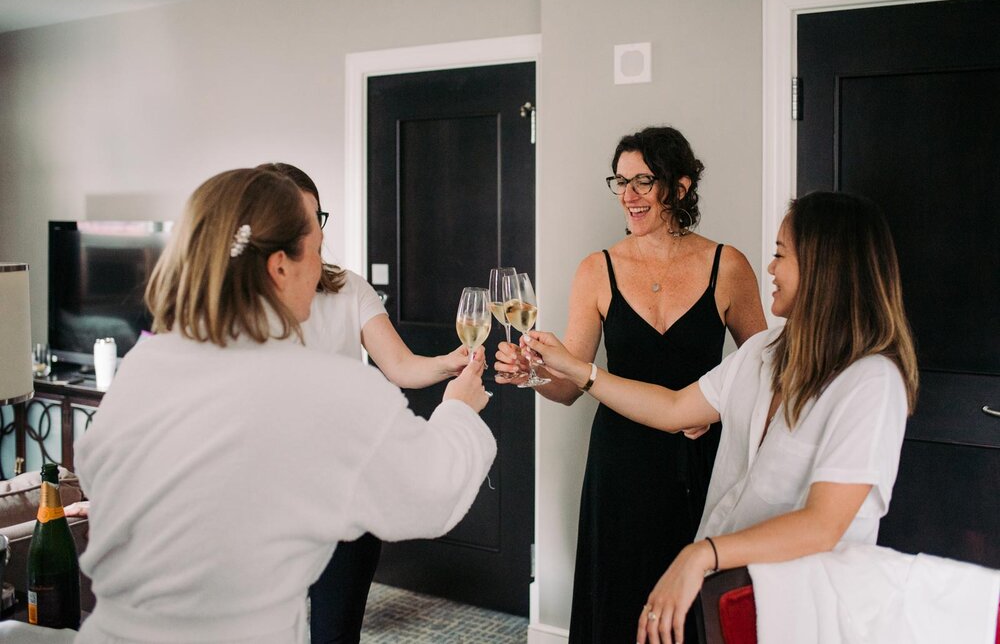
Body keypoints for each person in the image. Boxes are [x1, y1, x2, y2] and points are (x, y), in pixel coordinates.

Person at [73, 168, 496, 644]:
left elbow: (94, 473)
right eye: (314, 250)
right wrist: (458, 409)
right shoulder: (327, 387)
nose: (320, 267)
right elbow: (432, 491)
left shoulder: (144, 366)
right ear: (279, 266)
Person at [523, 191, 919, 644]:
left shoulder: (871, 381)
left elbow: (824, 524)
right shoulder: (763, 353)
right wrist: (581, 371)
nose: (770, 268)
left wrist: (701, 555)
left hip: (806, 608)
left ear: (823, 266)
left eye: (780, 256)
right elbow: (673, 409)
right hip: (731, 595)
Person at [496, 126, 766, 643]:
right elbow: (570, 384)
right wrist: (533, 375)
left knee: (691, 611)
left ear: (680, 187)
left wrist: (715, 411)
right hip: (619, 467)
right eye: (620, 182)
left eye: (643, 181)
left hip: (700, 464)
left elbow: (767, 371)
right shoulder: (596, 270)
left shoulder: (726, 267)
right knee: (619, 604)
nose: (629, 196)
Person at [255, 162, 471, 644]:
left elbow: (399, 365)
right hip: (271, 501)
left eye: (316, 217)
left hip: (345, 495)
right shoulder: (238, 306)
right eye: (298, 220)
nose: (312, 232)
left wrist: (449, 363)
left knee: (336, 633)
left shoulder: (348, 287)